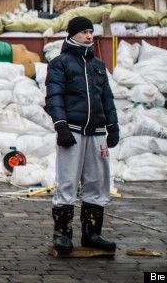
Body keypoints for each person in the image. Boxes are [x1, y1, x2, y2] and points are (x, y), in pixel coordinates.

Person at [45, 16, 119, 254]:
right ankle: (63, 234)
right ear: (72, 34)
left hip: (96, 130)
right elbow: (54, 96)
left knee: (98, 181)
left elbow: (107, 97)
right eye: (84, 32)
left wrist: (113, 125)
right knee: (67, 181)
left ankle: (92, 233)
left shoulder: (98, 65)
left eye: (91, 32)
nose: (89, 36)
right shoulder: (60, 63)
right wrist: (61, 126)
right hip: (73, 130)